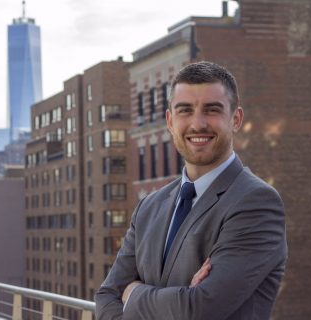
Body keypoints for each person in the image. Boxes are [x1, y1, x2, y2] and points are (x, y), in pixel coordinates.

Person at [95, 61, 287, 320]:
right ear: (170, 121)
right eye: (185, 111)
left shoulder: (256, 202)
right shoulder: (149, 206)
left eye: (212, 110)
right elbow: (106, 296)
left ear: (236, 119)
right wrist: (179, 299)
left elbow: (201, 309)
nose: (198, 124)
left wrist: (133, 294)